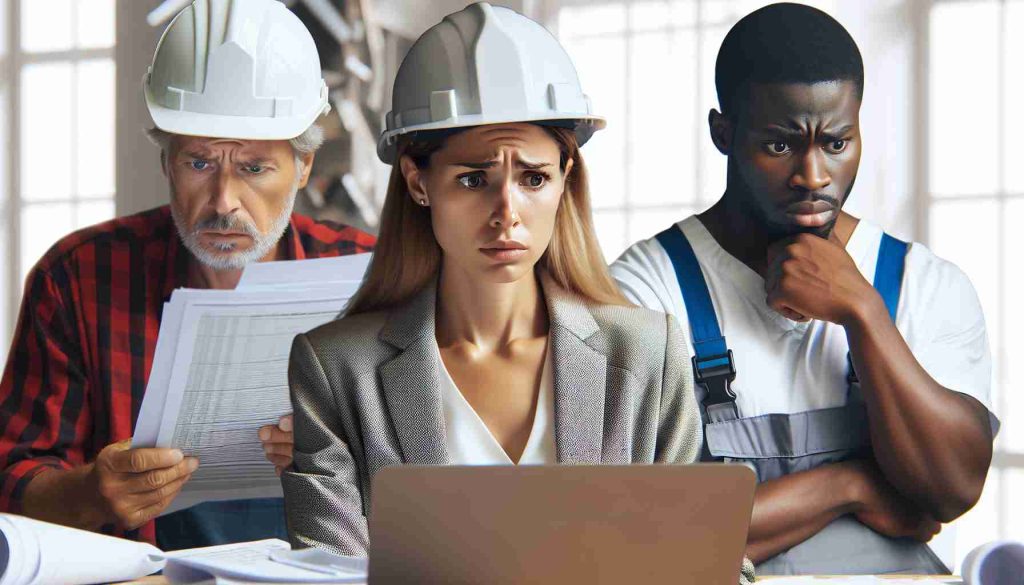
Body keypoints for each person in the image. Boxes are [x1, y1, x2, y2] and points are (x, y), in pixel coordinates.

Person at [280, 3, 754, 582]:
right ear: (417, 182)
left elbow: (711, 565)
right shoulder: (334, 370)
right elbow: (325, 578)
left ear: (564, 178)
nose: (507, 215)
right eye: (473, 179)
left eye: (533, 178)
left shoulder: (645, 353)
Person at [611, 3, 997, 575]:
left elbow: (952, 490)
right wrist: (849, 487)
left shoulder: (924, 284)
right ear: (724, 133)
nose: (813, 177)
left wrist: (863, 311)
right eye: (781, 146)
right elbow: (638, 534)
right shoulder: (646, 290)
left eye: (836, 144)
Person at [0, 0, 374, 550]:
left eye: (253, 168)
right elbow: (10, 479)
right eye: (198, 163)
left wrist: (344, 465)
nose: (224, 201)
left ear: (304, 166)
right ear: (165, 160)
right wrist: (90, 493)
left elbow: (433, 476)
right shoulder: (79, 277)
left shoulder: (370, 277)